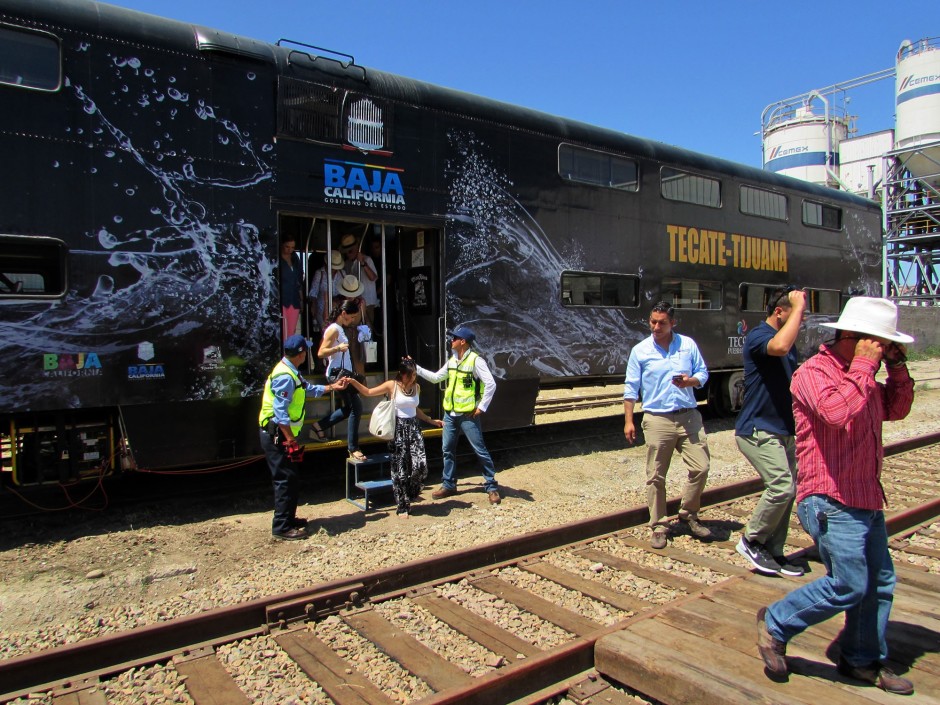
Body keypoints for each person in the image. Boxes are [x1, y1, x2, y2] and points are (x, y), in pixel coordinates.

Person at [757, 297, 915, 696]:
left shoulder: (864, 375)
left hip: (864, 496)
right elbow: (834, 412)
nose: (882, 351)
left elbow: (896, 409)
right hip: (829, 497)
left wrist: (896, 367)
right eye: (881, 344)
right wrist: (865, 365)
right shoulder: (814, 373)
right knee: (848, 583)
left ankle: (861, 658)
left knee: (878, 582)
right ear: (857, 338)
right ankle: (775, 623)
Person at [623, 301, 713, 549]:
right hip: (657, 418)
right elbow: (631, 388)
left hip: (688, 417)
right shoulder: (640, 350)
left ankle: (688, 515)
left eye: (662, 322)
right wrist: (629, 421)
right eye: (653, 321)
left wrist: (691, 381)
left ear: (673, 322)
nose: (656, 326)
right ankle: (659, 525)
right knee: (655, 476)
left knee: (701, 467)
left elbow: (703, 373)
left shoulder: (687, 345)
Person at [734, 287, 807, 576]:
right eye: (796, 314)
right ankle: (751, 539)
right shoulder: (759, 337)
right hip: (757, 428)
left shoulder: (787, 343)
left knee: (790, 492)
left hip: (783, 429)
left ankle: (773, 550)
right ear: (779, 312)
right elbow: (779, 348)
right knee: (781, 487)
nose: (801, 320)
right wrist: (798, 308)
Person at [258, 335, 348, 540]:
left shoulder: (290, 371)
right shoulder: (285, 376)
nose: (307, 353)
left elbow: (308, 389)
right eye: (305, 350)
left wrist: (333, 387)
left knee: (291, 478)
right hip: (277, 435)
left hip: (279, 434)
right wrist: (290, 440)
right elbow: (280, 414)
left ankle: (289, 518)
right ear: (300, 353)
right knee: (285, 479)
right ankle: (281, 526)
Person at [347, 358, 444, 517]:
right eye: (410, 375)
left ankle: (411, 494)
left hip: (414, 428)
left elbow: (415, 408)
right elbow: (369, 392)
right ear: (402, 374)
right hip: (398, 428)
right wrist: (353, 382)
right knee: (400, 469)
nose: (413, 378)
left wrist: (430, 420)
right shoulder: (392, 385)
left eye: (414, 375)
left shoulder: (416, 387)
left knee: (420, 465)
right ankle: (403, 505)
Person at [416, 325, 501, 504]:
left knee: (480, 450)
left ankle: (491, 486)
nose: (451, 340)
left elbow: (491, 384)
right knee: (447, 450)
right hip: (450, 414)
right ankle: (449, 485)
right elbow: (435, 377)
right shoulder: (453, 360)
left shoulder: (476, 361)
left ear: (463, 342)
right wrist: (414, 368)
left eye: (454, 338)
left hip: (468, 415)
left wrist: (482, 407)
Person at [313, 299, 370, 460]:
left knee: (351, 408)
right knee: (355, 407)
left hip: (344, 373)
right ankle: (353, 448)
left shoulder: (339, 328)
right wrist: (338, 348)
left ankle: (319, 426)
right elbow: (321, 352)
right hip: (337, 373)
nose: (352, 320)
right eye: (351, 317)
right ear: (343, 314)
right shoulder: (334, 329)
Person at [340, 233, 378, 329]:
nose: (348, 254)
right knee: (353, 330)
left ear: (356, 249)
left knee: (367, 329)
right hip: (353, 302)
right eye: (346, 252)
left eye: (350, 251)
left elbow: (373, 277)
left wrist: (363, 263)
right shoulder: (347, 264)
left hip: (367, 302)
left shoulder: (367, 260)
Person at [308, 250, 344, 333]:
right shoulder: (319, 273)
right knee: (326, 333)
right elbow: (314, 291)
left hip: (338, 309)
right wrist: (313, 305)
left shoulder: (342, 274)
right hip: (321, 308)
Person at [278, 238, 304, 339]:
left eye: (292, 247)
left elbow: (299, 282)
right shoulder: (277, 259)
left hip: (294, 299)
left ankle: (288, 353)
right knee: (282, 330)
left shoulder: (295, 258)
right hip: (282, 298)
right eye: (287, 247)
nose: (290, 250)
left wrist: (301, 300)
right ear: (281, 245)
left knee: (291, 331)